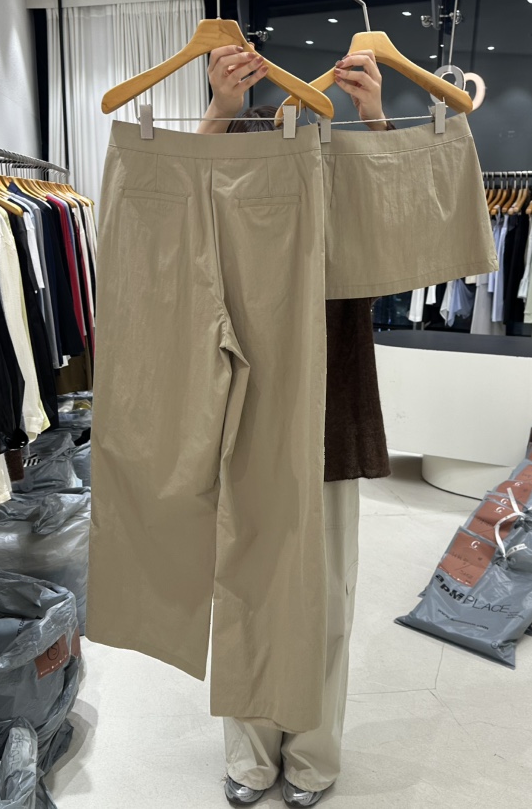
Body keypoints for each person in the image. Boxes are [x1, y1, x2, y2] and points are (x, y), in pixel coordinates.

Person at [198, 45, 392, 807]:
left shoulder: (338, 171)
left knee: (325, 594)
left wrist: (375, 120)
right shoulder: (227, 170)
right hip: (244, 409)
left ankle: (312, 754)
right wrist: (217, 114)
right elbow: (168, 216)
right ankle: (251, 754)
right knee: (246, 586)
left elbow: (402, 225)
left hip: (330, 412)